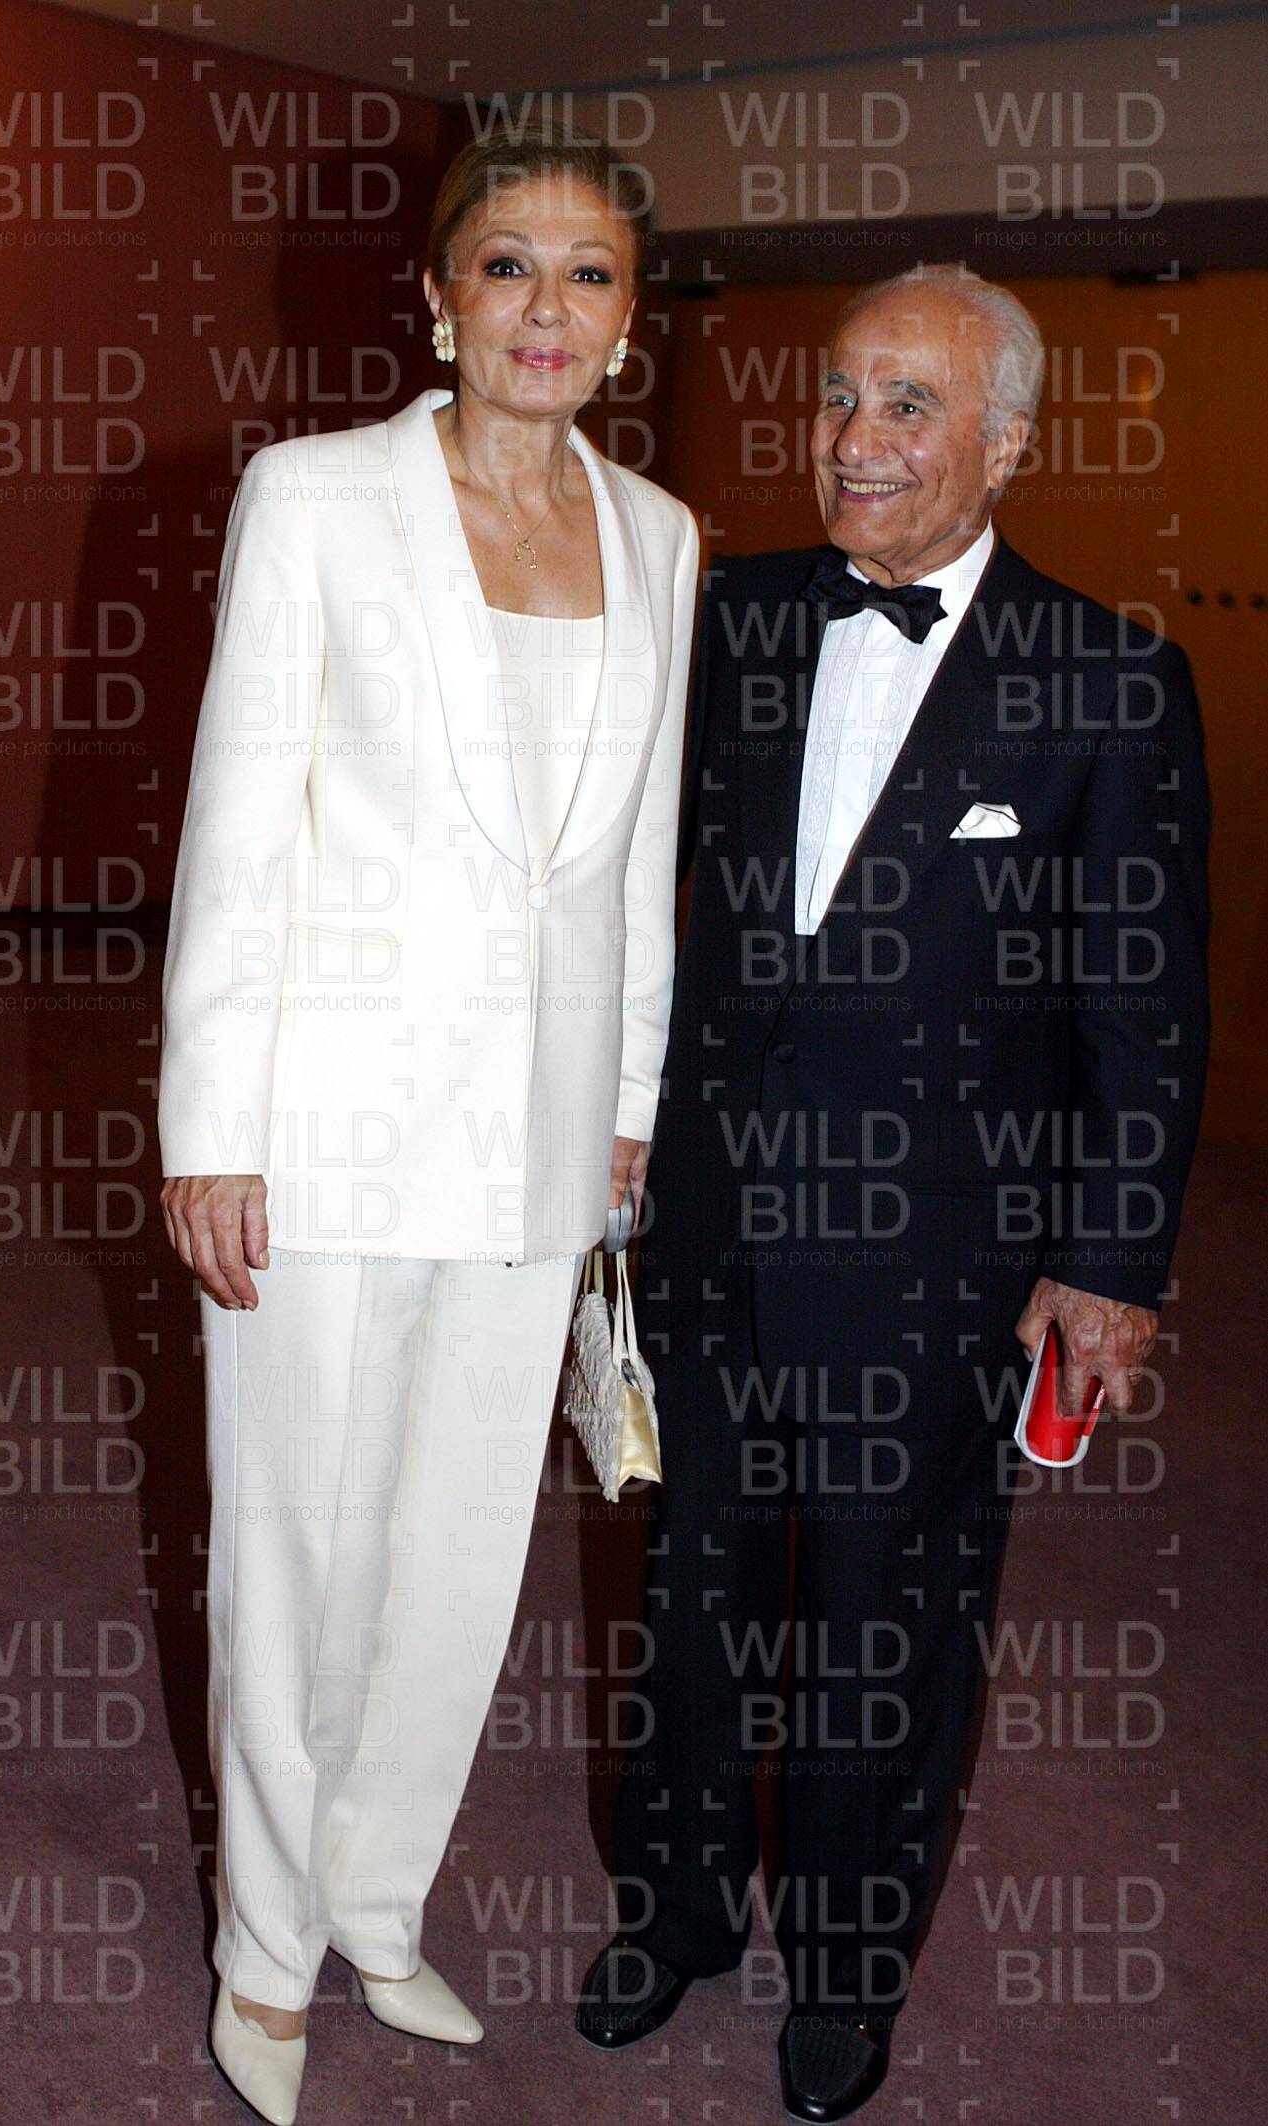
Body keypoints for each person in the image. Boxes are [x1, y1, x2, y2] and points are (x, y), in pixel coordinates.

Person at [575, 263, 1211, 2121]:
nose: (854, 439)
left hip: (939, 1255)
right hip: (711, 1211)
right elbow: (611, 881)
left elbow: (1140, 1002)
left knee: (884, 1620)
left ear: (1004, 443)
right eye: (841, 396)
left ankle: (849, 1973)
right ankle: (674, 1910)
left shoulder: (1108, 678)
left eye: (907, 405)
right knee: (694, 1587)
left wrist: (1109, 1262)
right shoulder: (735, 616)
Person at [157, 127, 700, 2125]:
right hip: (323, 1123)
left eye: (589, 274)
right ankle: (264, 1947)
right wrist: (209, 1124)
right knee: (301, 1552)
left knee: (467, 1552)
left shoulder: (660, 538)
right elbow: (238, 828)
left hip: (539, 1143)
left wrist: (626, 1103)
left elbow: (631, 863)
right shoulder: (314, 500)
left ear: (627, 320)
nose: (548, 308)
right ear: (439, 298)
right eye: (509, 266)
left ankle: (376, 1903)